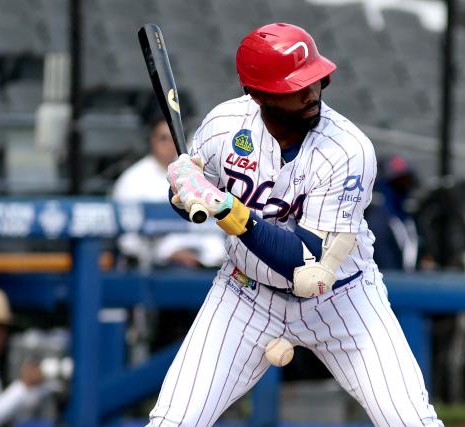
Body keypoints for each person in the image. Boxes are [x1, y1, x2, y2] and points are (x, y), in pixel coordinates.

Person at [148, 23, 443, 426]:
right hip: (244, 295)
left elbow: (304, 260)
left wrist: (224, 206)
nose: (310, 94)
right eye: (294, 87)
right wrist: (186, 188)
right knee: (172, 421)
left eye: (314, 80)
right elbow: (192, 204)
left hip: (341, 299)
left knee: (411, 421)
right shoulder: (223, 125)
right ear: (256, 93)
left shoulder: (347, 149)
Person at [111, 115, 225, 271]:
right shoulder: (132, 179)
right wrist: (160, 254)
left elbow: (216, 224)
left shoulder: (198, 173)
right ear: (152, 140)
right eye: (163, 138)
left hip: (205, 259)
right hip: (158, 263)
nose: (169, 145)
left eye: (174, 138)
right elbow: (127, 240)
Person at [0, 288, 50, 427]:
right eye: (0, 328)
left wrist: (37, 387)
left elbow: (10, 410)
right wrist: (23, 386)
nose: (4, 336)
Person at [366, 153, 421, 271]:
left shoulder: (407, 218)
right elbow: (385, 263)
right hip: (387, 283)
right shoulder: (377, 219)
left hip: (407, 283)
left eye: (407, 182)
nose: (405, 188)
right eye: (399, 183)